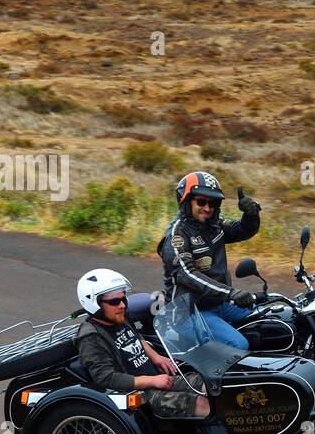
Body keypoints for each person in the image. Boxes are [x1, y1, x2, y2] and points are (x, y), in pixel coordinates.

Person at [73, 268, 210, 419]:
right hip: (140, 395)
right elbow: (106, 378)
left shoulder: (119, 317)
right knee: (201, 404)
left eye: (123, 299)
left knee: (208, 385)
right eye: (114, 301)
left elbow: (136, 336)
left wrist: (156, 356)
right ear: (95, 304)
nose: (122, 305)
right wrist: (152, 380)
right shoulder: (90, 337)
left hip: (159, 379)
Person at [157, 170, 263, 351]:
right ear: (186, 200)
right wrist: (230, 293)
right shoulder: (177, 236)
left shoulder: (214, 226)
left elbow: (242, 230)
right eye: (201, 201)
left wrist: (251, 214)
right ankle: (218, 379)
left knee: (267, 320)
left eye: (212, 203)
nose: (207, 208)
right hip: (188, 313)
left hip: (217, 304)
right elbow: (187, 274)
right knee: (238, 344)